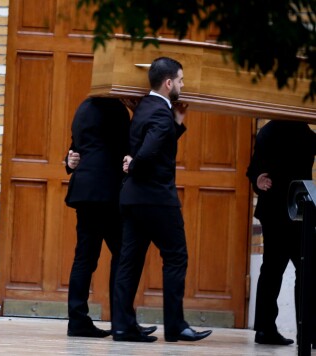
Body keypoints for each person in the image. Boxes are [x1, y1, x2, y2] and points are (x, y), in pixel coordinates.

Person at [111, 56, 212, 343]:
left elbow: (156, 141)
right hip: (157, 199)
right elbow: (152, 147)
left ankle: (122, 326)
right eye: (180, 80)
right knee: (176, 257)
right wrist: (136, 163)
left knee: (129, 262)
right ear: (168, 83)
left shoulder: (144, 107)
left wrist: (177, 124)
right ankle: (176, 325)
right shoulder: (159, 113)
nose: (183, 84)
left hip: (132, 199)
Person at [64, 97, 156, 338]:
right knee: (125, 255)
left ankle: (77, 321)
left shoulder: (83, 105)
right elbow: (129, 143)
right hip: (107, 191)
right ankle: (122, 321)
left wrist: (68, 160)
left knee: (84, 258)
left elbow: (76, 146)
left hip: (84, 190)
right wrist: (138, 114)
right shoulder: (116, 109)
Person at [246, 119, 316, 346]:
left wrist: (257, 178)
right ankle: (303, 333)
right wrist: (258, 179)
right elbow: (254, 168)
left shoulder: (287, 130)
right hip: (286, 209)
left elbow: (254, 168)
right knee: (297, 271)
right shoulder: (276, 130)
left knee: (276, 270)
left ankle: (267, 330)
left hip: (293, 209)